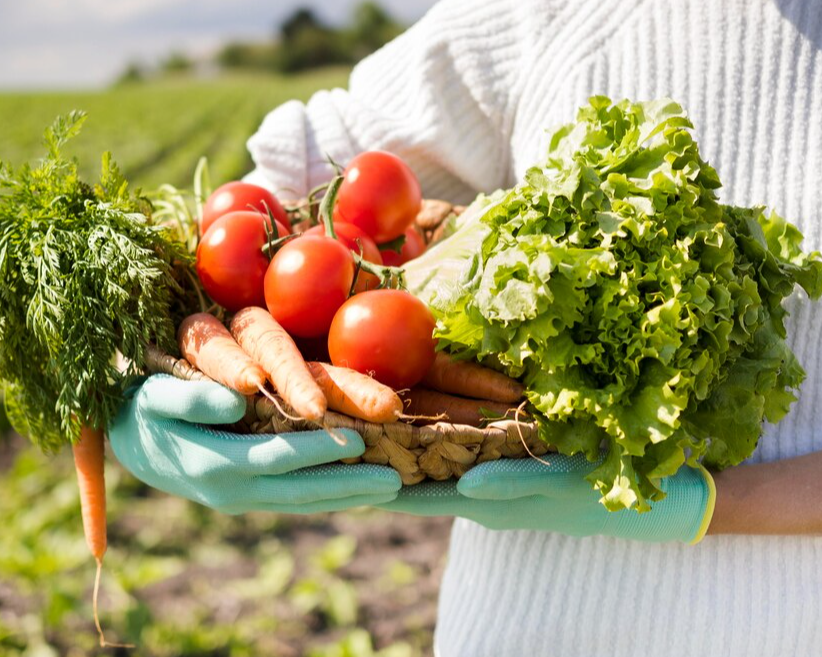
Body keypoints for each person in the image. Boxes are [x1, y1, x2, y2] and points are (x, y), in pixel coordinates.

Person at [110, 0, 822, 654]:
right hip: (528, 630)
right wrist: (132, 369)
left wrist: (700, 505)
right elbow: (273, 193)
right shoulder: (557, 12)